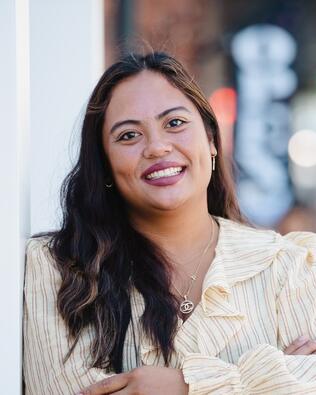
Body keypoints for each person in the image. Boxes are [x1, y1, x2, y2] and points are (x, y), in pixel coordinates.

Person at [23, 51, 316, 395]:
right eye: (129, 135)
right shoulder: (59, 269)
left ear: (210, 140)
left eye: (174, 123)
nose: (158, 147)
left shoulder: (290, 265)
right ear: (104, 165)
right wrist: (267, 381)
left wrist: (183, 386)